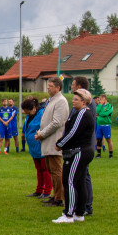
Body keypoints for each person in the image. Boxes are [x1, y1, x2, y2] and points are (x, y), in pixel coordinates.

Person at [52, 88, 96, 223]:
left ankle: (69, 214)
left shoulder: (83, 113)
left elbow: (72, 132)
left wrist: (60, 143)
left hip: (79, 151)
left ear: (84, 102)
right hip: (84, 150)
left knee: (69, 181)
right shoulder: (82, 113)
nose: (73, 101)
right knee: (79, 182)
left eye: (76, 99)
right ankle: (79, 213)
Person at [34, 77, 70, 210]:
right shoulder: (52, 100)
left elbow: (57, 122)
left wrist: (42, 133)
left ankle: (59, 197)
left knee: (56, 170)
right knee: (51, 169)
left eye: (50, 86)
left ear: (58, 88)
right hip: (48, 140)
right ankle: (55, 195)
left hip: (54, 140)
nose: (47, 87)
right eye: (47, 85)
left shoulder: (61, 101)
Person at [22, 97, 51, 199]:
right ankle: (39, 190)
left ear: (34, 108)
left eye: (28, 112)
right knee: (39, 169)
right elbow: (27, 126)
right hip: (33, 148)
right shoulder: (29, 115)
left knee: (45, 169)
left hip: (41, 145)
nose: (27, 114)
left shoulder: (42, 114)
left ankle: (47, 191)